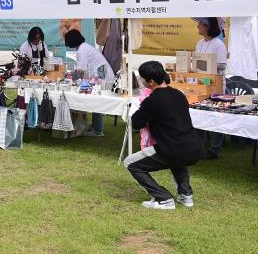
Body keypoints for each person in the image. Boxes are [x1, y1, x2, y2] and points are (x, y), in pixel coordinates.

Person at [124, 61, 203, 210]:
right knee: (177, 159)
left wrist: (139, 109)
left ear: (151, 81)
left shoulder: (152, 100)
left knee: (131, 163)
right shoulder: (179, 94)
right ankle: (186, 196)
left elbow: (136, 122)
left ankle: (163, 198)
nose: (141, 81)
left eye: (142, 78)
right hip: (193, 146)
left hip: (171, 149)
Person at [193, 17, 228, 156]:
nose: (198, 27)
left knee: (215, 115)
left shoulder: (218, 44)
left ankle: (215, 148)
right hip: (201, 83)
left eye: (200, 24)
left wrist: (202, 64)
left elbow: (222, 65)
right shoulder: (199, 43)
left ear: (207, 26)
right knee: (200, 113)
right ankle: (200, 145)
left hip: (215, 84)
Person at [64, 29, 107, 137]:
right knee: (96, 101)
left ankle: (97, 129)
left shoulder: (81, 50)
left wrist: (69, 75)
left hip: (96, 78)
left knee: (92, 100)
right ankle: (96, 127)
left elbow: (80, 71)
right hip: (98, 76)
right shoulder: (85, 47)